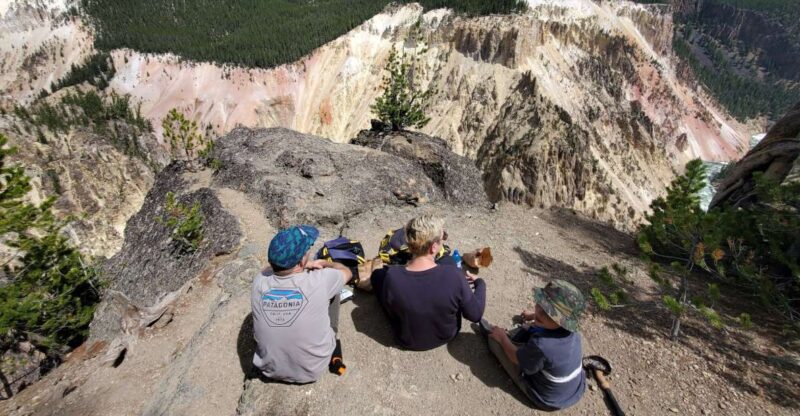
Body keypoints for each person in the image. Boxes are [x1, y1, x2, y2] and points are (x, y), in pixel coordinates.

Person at [251, 225, 353, 383]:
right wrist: (324, 264)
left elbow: (266, 269)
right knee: (334, 290)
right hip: (312, 369)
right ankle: (333, 331)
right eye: (308, 249)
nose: (310, 251)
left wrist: (303, 264)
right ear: (300, 262)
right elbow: (347, 273)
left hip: (269, 369)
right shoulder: (319, 280)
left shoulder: (259, 281)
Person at [371, 215, 486, 351]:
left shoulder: (392, 276)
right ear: (433, 247)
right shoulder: (454, 275)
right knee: (448, 261)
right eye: (442, 239)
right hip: (447, 334)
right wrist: (480, 283)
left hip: (406, 340)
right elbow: (475, 315)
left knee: (377, 276)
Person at [481, 279, 587, 411]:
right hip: (576, 389)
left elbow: (516, 359)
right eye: (540, 304)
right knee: (537, 329)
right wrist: (535, 316)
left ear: (563, 321)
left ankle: (499, 337)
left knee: (496, 341)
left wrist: (502, 338)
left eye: (550, 313)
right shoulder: (573, 331)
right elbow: (547, 322)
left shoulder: (542, 345)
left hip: (547, 399)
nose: (540, 312)